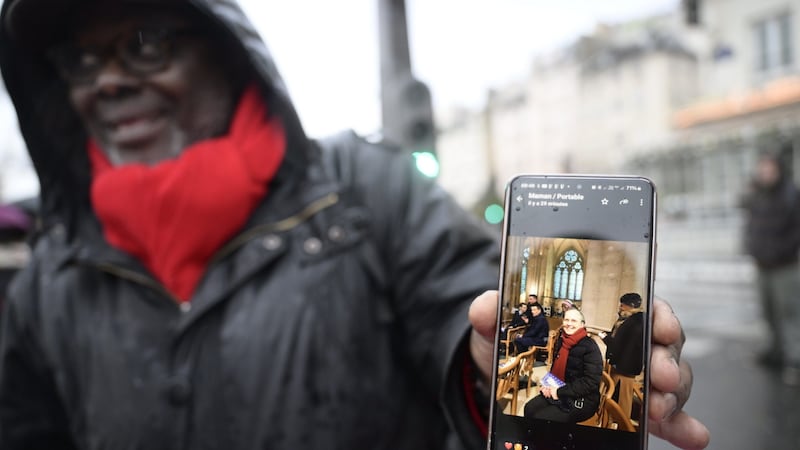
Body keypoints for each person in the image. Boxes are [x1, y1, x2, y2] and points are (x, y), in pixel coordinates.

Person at [0, 1, 709, 449]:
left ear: (227, 52)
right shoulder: (51, 268)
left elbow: (454, 310)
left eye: (145, 43)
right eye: (80, 61)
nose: (107, 81)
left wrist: (490, 359)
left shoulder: (366, 186)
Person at [740, 149, 800, 384]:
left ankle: (795, 358)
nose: (764, 172)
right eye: (761, 168)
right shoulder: (757, 193)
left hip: (784, 266)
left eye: (769, 168)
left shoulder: (790, 194)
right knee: (768, 312)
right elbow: (747, 216)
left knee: (789, 314)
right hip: (762, 264)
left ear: (779, 170)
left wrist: (783, 250)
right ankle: (774, 352)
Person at [523, 308, 602, 423]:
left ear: (582, 324)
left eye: (574, 321)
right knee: (529, 408)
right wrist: (547, 385)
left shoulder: (590, 347)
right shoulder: (562, 341)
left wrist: (559, 392)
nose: (569, 324)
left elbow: (590, 382)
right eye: (566, 320)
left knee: (542, 418)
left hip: (582, 398)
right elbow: (556, 368)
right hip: (559, 388)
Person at [600, 292, 645, 377]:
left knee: (621, 389)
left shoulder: (634, 322)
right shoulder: (632, 319)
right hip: (621, 366)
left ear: (631, 306)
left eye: (623, 305)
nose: (620, 307)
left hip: (624, 369)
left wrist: (605, 338)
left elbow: (620, 343)